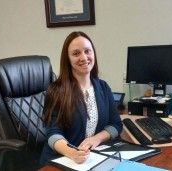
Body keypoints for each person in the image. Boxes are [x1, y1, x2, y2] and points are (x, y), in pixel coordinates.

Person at [40, 31, 123, 165]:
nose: (84, 57)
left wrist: (96, 139)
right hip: (61, 160)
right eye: (76, 53)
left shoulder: (103, 87)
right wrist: (71, 152)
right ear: (67, 59)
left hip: (92, 159)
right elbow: (52, 133)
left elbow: (116, 125)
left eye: (87, 51)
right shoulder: (56, 90)